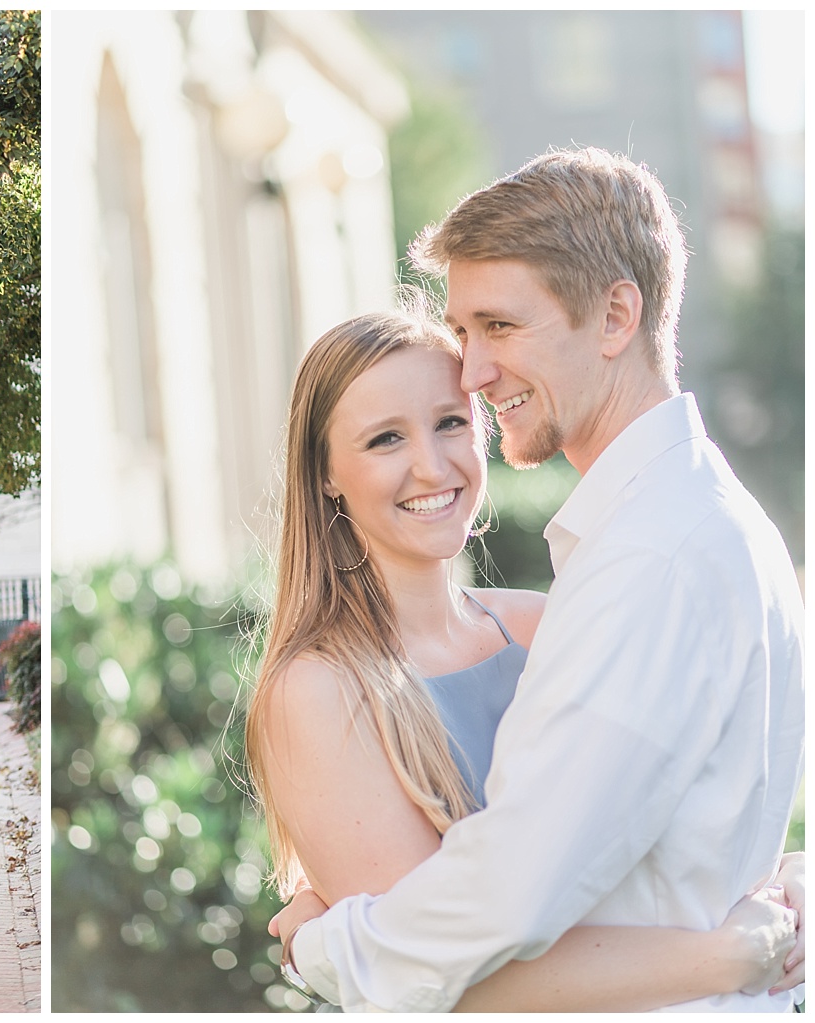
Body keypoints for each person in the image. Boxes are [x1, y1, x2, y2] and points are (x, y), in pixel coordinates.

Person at [269, 149, 805, 1011]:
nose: (475, 372)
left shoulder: (647, 559)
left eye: (500, 327)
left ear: (615, 317)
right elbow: (690, 822)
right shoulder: (691, 523)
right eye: (466, 332)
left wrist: (331, 944)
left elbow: (511, 888)